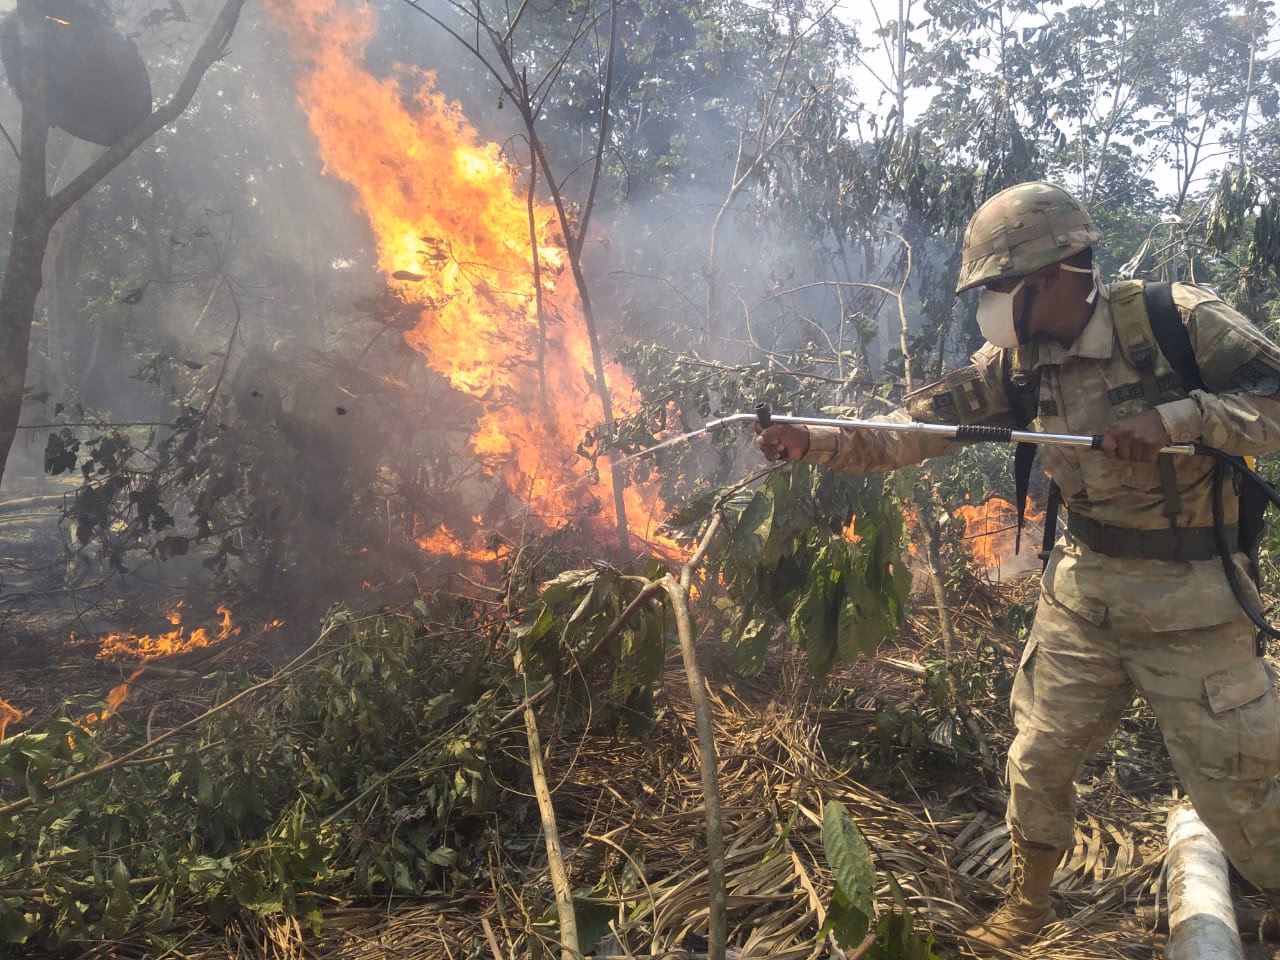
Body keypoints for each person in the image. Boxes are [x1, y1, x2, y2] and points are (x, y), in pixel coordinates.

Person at [756, 181, 1280, 948]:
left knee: (1242, 784)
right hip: (1084, 594)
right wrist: (816, 440)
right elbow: (919, 429)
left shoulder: (1176, 321)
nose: (989, 306)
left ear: (1053, 275)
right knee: (1037, 757)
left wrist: (1179, 419)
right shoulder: (1017, 362)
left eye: (999, 286)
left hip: (1195, 601)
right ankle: (1027, 906)